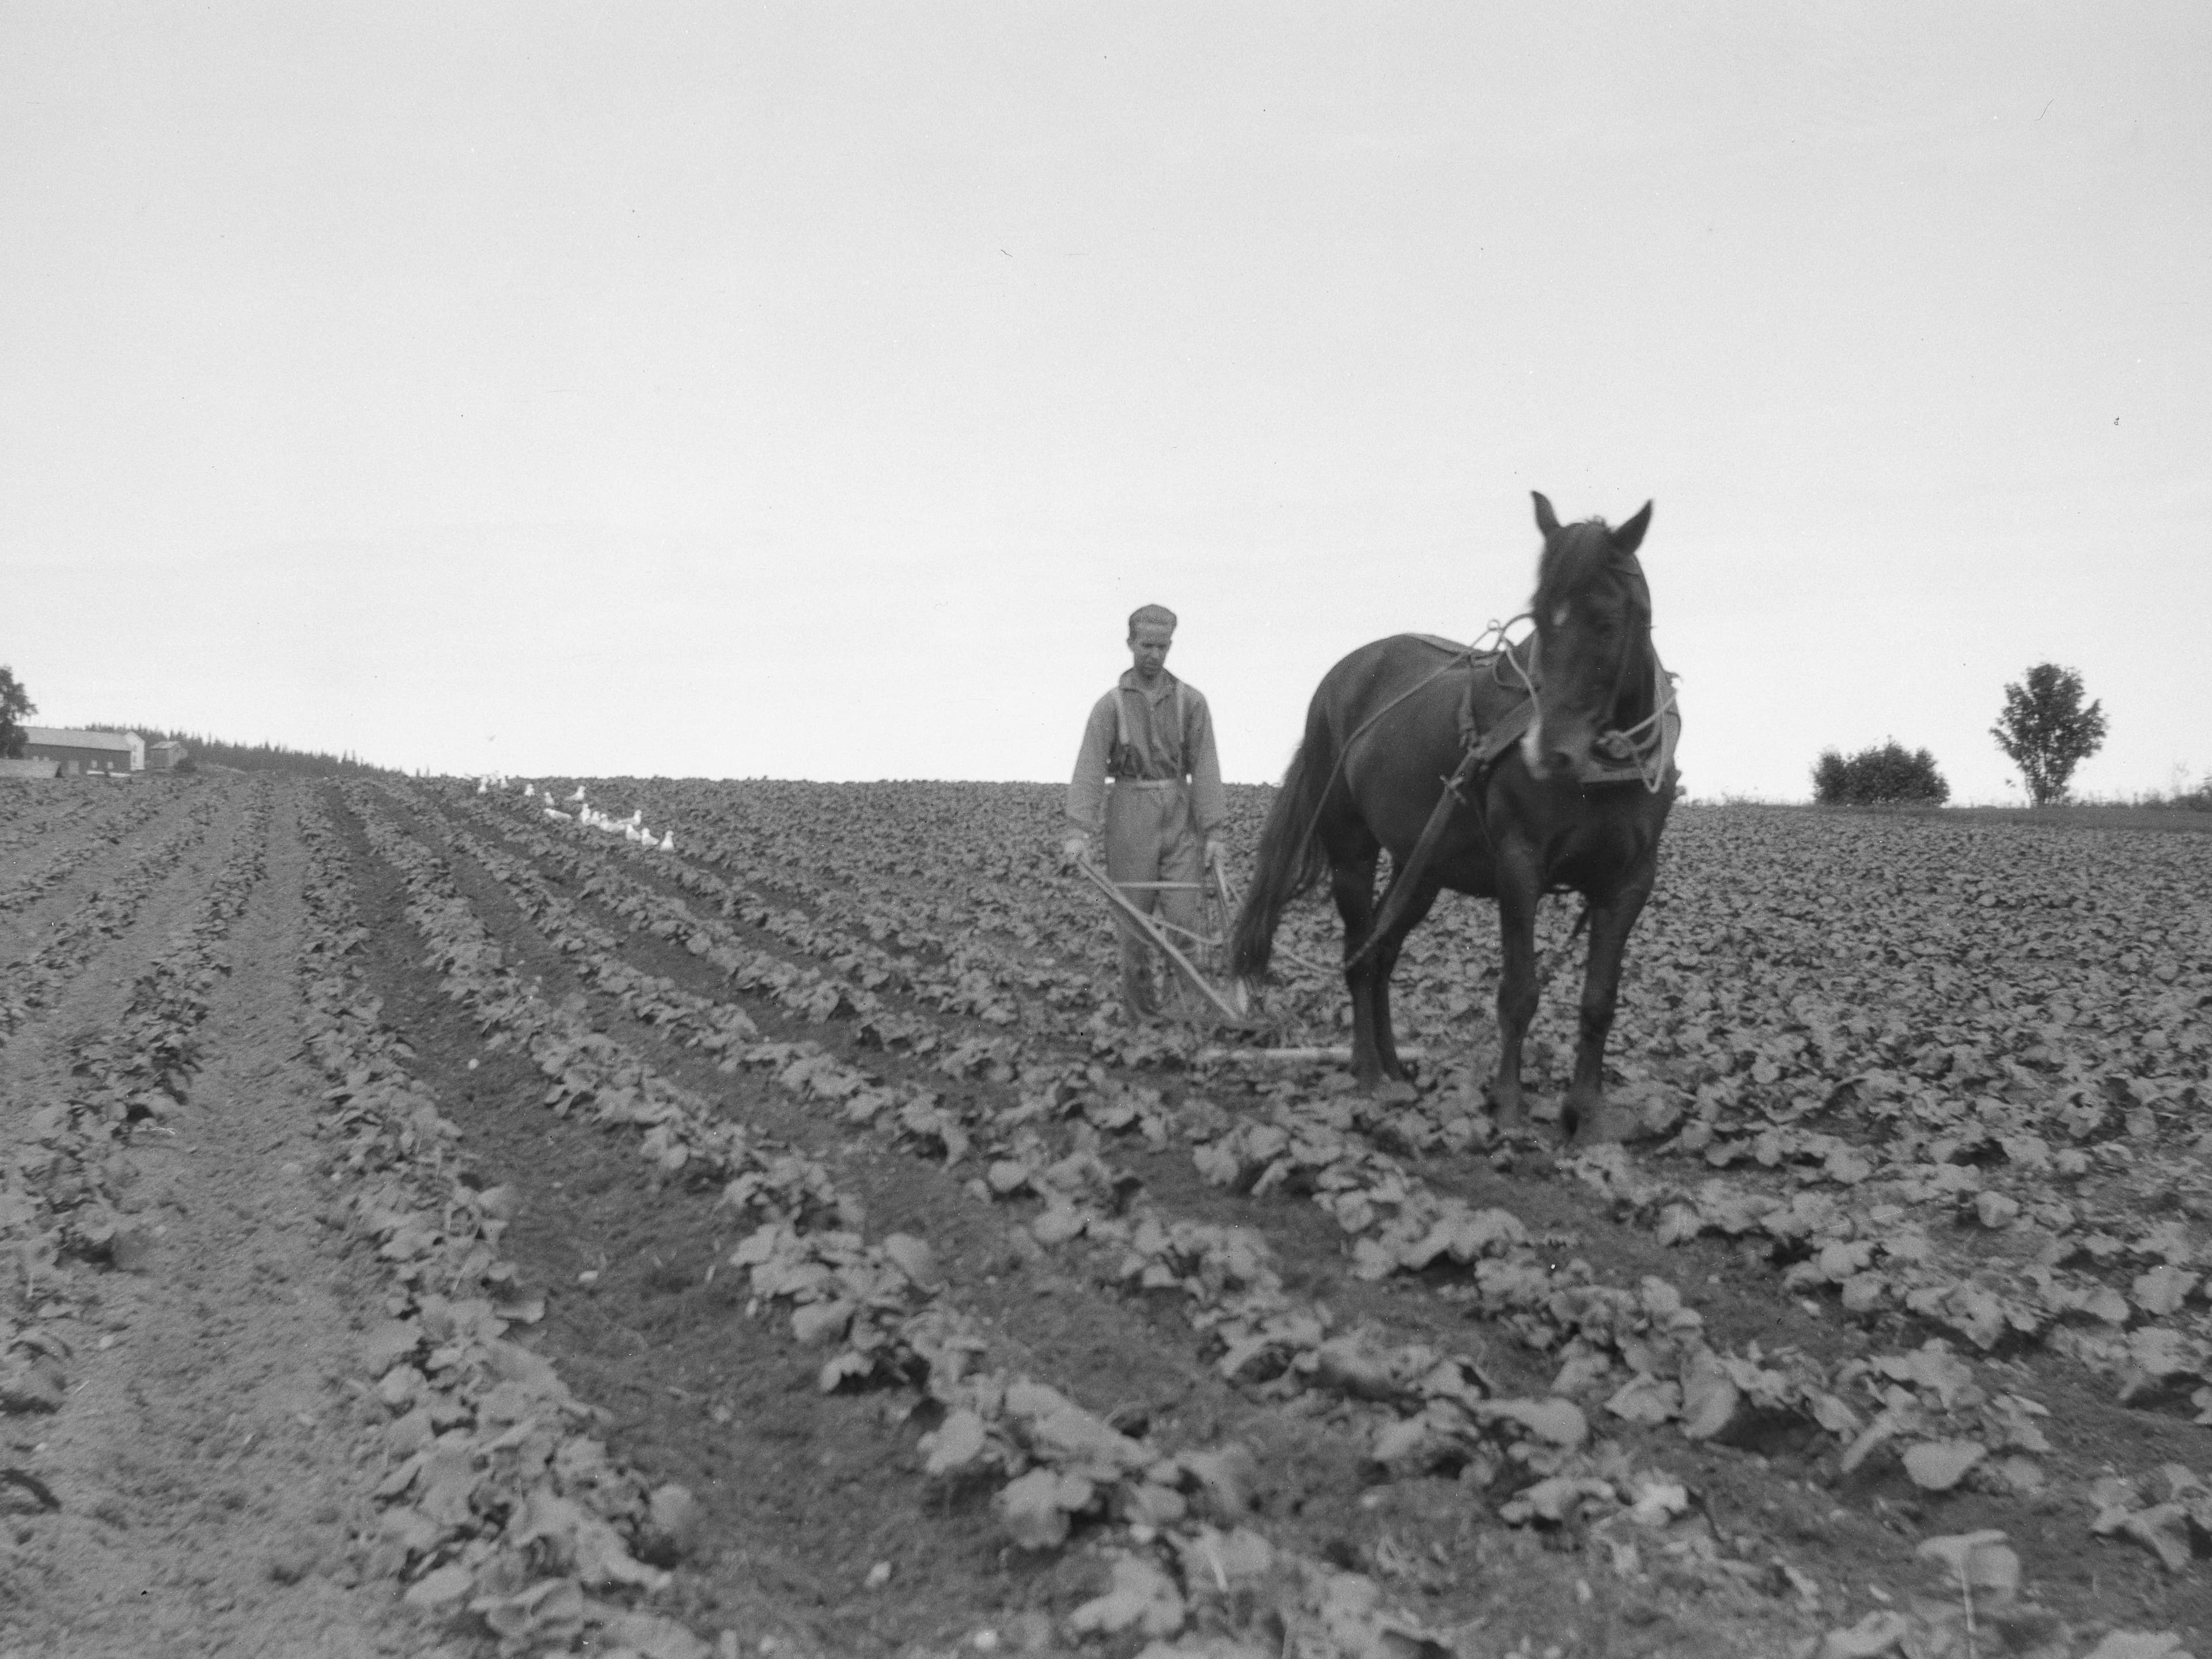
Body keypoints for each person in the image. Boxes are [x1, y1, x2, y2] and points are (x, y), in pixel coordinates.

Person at [1065, 604, 1226, 1020]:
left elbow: (1205, 765)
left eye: (1162, 646)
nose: (1154, 654)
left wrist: (1215, 833)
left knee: (1182, 922)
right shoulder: (1110, 706)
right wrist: (1077, 830)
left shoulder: (1192, 701)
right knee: (1134, 929)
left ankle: (1186, 1014)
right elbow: (1089, 766)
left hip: (1179, 813)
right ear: (1130, 645)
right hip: (1129, 815)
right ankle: (1142, 1020)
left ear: (1171, 645)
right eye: (1146, 645)